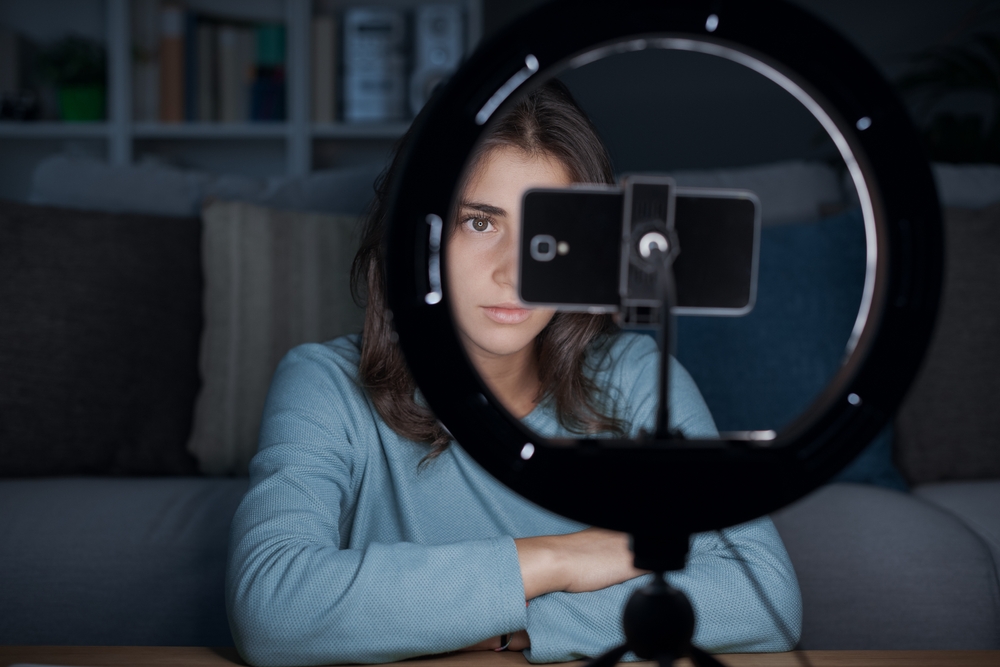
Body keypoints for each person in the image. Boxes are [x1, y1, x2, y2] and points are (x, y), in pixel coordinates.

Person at [225, 80, 802, 667]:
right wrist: (558, 559)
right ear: (417, 235)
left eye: (548, 232)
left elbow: (759, 593)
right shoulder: (325, 383)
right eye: (480, 222)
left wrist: (511, 629)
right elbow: (272, 608)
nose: (515, 270)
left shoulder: (637, 379)